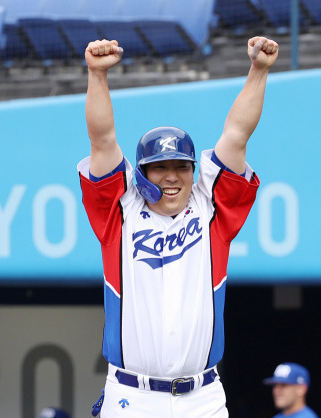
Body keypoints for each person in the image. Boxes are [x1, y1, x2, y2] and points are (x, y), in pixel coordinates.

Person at [78, 36, 278, 417]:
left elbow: (237, 135)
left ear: (192, 171)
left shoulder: (210, 208)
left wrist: (258, 71)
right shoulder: (119, 212)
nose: (172, 177)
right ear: (143, 173)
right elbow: (102, 140)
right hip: (132, 396)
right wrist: (97, 75)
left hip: (203, 396)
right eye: (161, 167)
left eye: (181, 166)